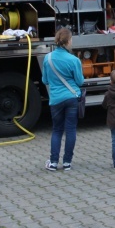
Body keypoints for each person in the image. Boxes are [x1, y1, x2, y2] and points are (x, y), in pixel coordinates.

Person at [42, 28, 84, 172]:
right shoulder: (74, 60)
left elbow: (45, 80)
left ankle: (53, 162)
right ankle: (67, 162)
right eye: (71, 39)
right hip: (72, 98)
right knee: (71, 130)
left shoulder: (47, 58)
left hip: (55, 100)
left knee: (57, 130)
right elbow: (79, 81)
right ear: (67, 41)